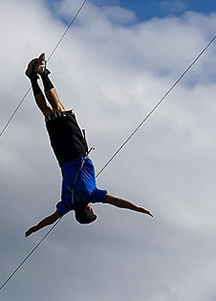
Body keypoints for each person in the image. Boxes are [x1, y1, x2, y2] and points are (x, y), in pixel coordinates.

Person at [22, 54, 152, 235]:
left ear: (89, 209)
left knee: (59, 108)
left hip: (76, 151)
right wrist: (35, 228)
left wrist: (139, 209)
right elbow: (51, 219)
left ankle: (42, 74)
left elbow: (118, 202)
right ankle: (32, 78)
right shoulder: (67, 203)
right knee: (48, 113)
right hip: (61, 155)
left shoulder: (92, 194)